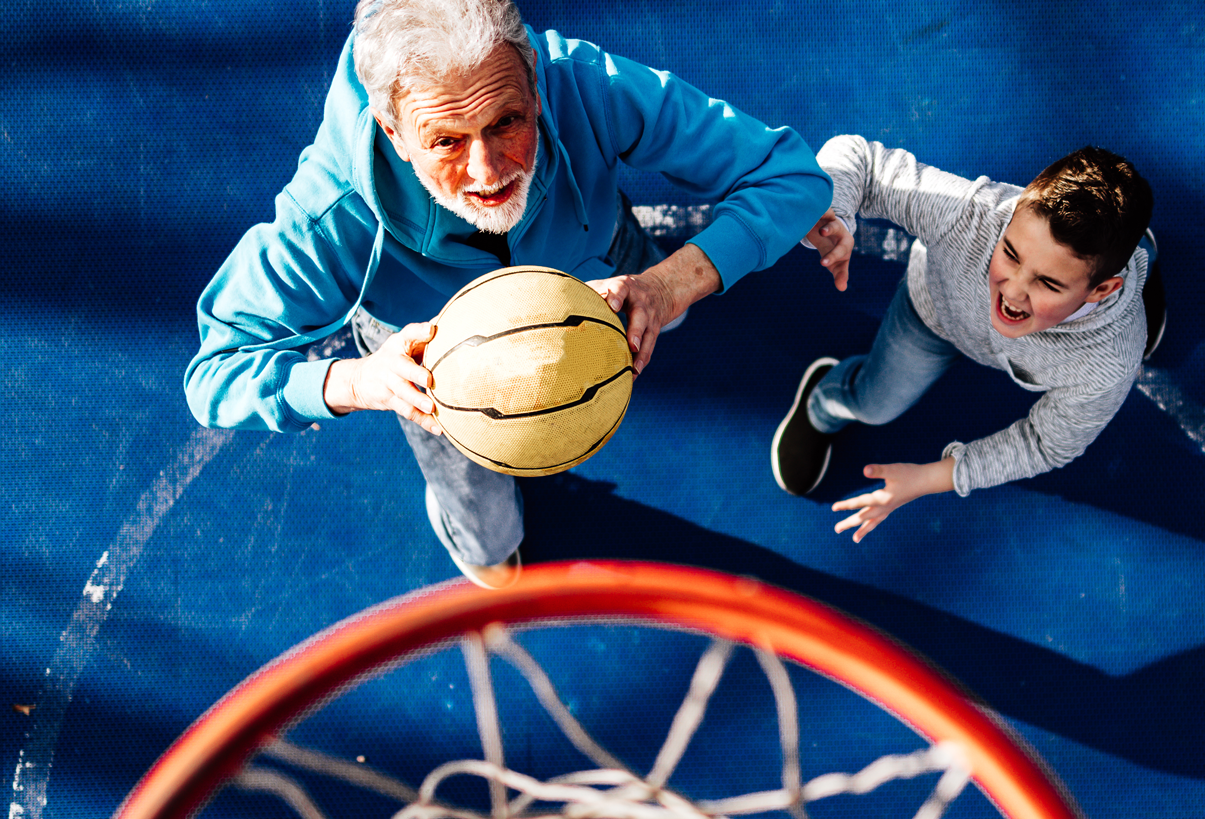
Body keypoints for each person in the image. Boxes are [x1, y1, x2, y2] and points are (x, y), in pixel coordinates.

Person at [185, 0, 829, 587]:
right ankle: (475, 537)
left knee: (670, 317)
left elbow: (790, 175)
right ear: (391, 131)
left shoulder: (586, 85)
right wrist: (362, 383)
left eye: (507, 121)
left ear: (537, 88)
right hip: (434, 366)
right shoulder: (332, 215)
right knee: (493, 541)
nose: (489, 172)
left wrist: (667, 286)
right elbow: (214, 374)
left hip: (602, 262)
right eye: (447, 142)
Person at [772, 135, 1156, 542]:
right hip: (933, 314)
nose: (1013, 291)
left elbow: (1045, 443)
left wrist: (927, 478)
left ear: (1101, 291)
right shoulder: (970, 215)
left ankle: (1138, 253)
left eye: (1047, 282)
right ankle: (823, 403)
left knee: (1127, 259)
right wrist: (833, 213)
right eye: (1010, 252)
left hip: (1073, 312)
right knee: (874, 405)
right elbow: (859, 161)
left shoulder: (1110, 358)